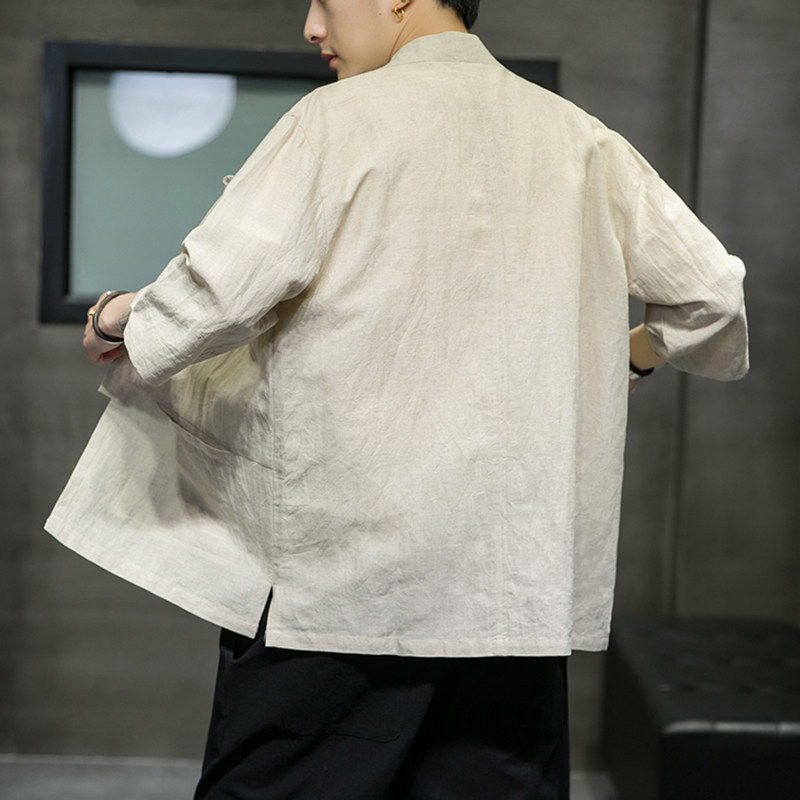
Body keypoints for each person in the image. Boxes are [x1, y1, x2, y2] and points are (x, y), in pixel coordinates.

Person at [48, 0, 748, 797]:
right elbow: (712, 297)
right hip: (513, 602)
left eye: (325, 0)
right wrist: (629, 357)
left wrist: (119, 315)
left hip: (339, 596)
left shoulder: (337, 121)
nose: (311, 26)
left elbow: (215, 296)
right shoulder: (582, 140)